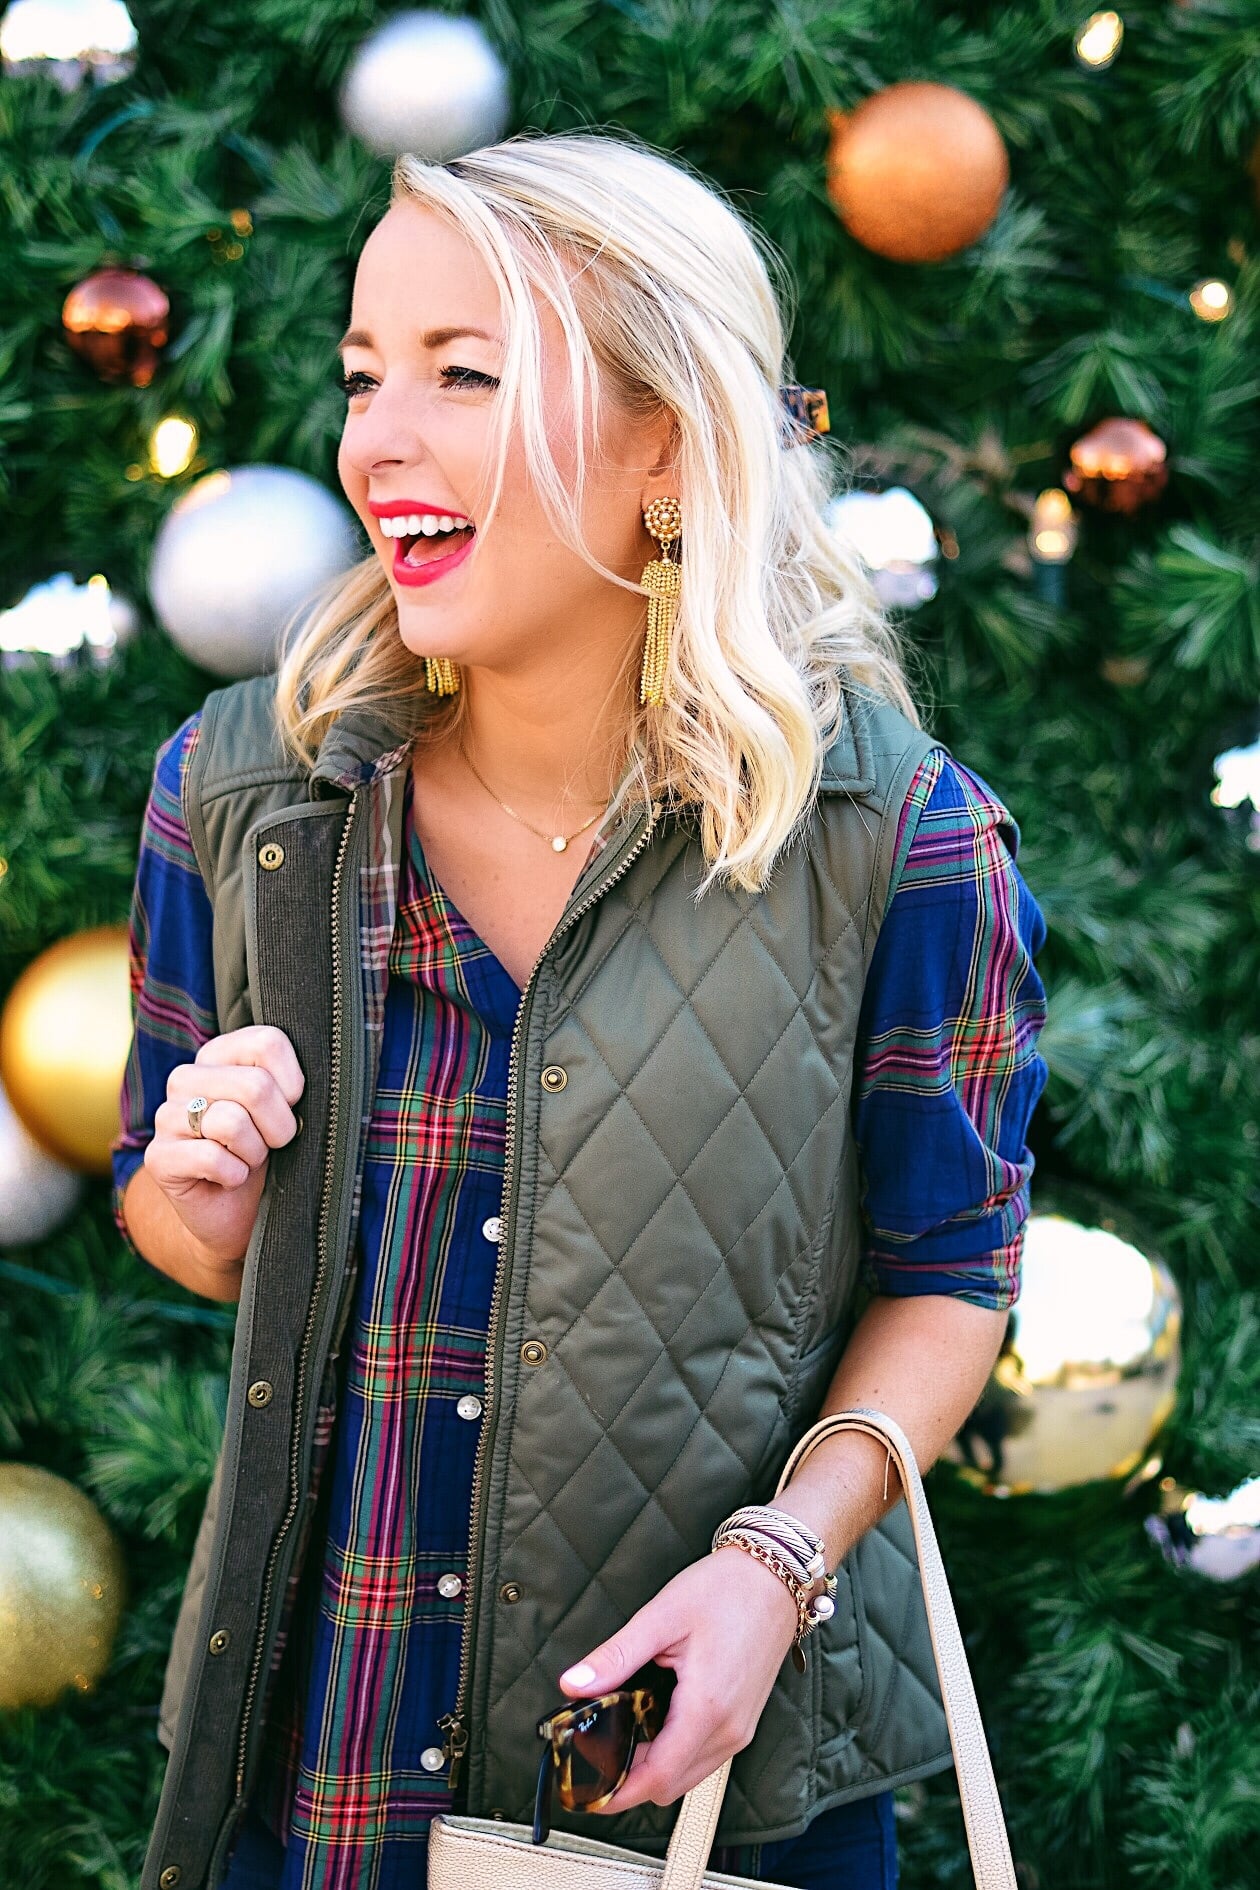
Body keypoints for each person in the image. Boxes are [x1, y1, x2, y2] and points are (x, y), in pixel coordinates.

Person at [112, 131, 1049, 1890]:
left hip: (702, 1802)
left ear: (669, 448)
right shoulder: (243, 793)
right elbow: (179, 1220)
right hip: (300, 1780)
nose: (377, 437)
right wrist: (202, 1196)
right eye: (364, 373)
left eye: (464, 375)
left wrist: (778, 1566)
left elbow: (954, 1276)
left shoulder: (893, 839)